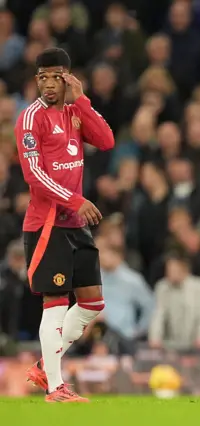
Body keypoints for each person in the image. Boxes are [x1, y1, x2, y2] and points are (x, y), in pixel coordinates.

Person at [13, 47, 115, 402]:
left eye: (54, 76)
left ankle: (46, 365)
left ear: (67, 77)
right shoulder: (30, 119)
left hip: (75, 224)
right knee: (55, 301)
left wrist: (83, 101)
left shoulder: (75, 112)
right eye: (41, 77)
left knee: (92, 302)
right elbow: (34, 174)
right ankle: (55, 387)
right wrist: (76, 200)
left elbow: (106, 141)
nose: (47, 84)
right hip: (48, 224)